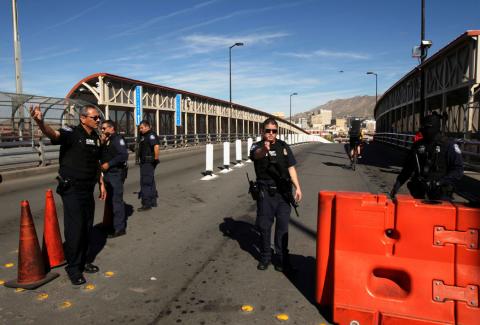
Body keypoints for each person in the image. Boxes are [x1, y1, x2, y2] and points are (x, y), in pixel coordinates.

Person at [30, 104, 106, 285]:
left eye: (98, 118)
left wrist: (101, 183)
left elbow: (96, 161)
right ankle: (73, 268)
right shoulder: (71, 132)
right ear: (83, 118)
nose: (98, 120)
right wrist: (40, 122)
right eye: (94, 118)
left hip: (88, 188)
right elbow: (54, 135)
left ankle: (84, 261)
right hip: (72, 189)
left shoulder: (95, 137)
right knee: (75, 228)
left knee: (87, 226)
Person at [249, 118, 302, 272]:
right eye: (268, 130)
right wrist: (264, 150)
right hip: (265, 191)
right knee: (265, 226)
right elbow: (256, 155)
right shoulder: (257, 146)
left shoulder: (283, 146)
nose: (271, 134)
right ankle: (265, 256)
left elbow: (291, 167)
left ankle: (282, 258)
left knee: (282, 227)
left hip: (284, 192)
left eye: (274, 131)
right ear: (262, 131)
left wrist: (297, 187)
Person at [390, 113, 463, 200]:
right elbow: (408, 168)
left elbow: (458, 169)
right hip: (420, 193)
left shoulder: (448, 145)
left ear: (435, 127)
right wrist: (397, 185)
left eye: (426, 127)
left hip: (440, 194)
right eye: (422, 127)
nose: (423, 130)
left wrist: (440, 182)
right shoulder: (418, 145)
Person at [100, 120, 129, 238]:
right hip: (107, 174)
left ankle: (119, 228)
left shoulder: (117, 139)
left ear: (111, 128)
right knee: (110, 200)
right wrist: (102, 142)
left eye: (104, 128)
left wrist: (109, 164)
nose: (102, 130)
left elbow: (123, 155)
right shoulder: (108, 140)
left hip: (115, 173)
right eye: (101, 128)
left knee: (116, 200)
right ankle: (110, 224)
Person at [137, 120, 160, 211]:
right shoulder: (144, 136)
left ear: (147, 127)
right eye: (140, 128)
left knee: (145, 182)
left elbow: (156, 146)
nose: (140, 130)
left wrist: (155, 159)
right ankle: (153, 201)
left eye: (142, 128)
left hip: (148, 162)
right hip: (145, 161)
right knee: (150, 181)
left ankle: (146, 204)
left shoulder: (151, 135)